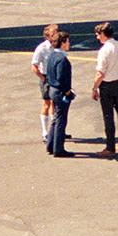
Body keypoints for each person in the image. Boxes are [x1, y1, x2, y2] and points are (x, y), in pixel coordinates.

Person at [91, 21, 118, 156]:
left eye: (98, 35)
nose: (97, 38)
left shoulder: (104, 50)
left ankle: (110, 147)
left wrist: (94, 88)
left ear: (103, 34)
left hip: (107, 86)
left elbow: (100, 73)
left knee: (108, 117)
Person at [44, 30, 75, 158]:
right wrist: (68, 91)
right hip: (60, 91)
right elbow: (62, 78)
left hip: (52, 89)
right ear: (62, 43)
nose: (69, 44)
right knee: (61, 120)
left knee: (56, 119)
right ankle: (58, 148)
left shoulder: (52, 55)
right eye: (67, 41)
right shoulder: (62, 59)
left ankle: (50, 145)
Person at [32, 24, 58, 142]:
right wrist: (43, 78)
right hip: (47, 77)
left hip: (56, 76)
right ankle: (45, 132)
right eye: (54, 33)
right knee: (47, 103)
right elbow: (34, 66)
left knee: (55, 103)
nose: (57, 34)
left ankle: (55, 129)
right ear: (48, 36)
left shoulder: (57, 46)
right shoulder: (42, 48)